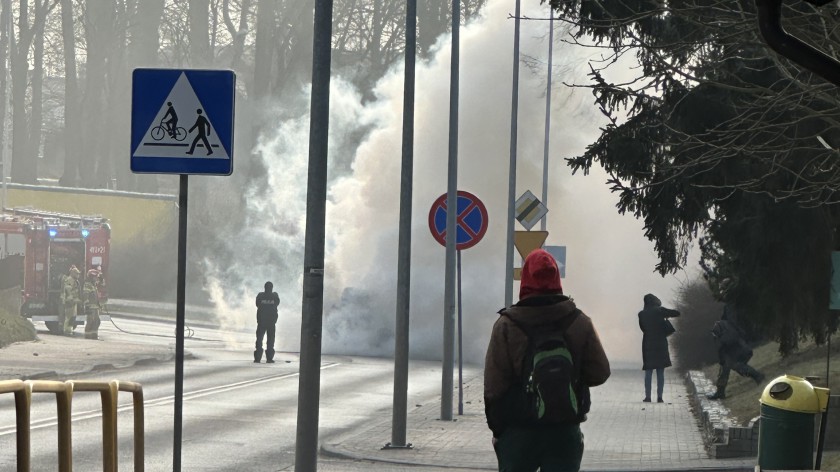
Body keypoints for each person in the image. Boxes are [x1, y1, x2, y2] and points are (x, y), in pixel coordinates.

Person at [484, 249, 611, 471]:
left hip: (518, 433)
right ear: (556, 280)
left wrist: (498, 432)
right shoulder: (579, 322)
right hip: (564, 430)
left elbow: (494, 387)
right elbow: (600, 373)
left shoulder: (506, 325)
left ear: (525, 280)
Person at [706, 304, 765, 400]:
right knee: (727, 366)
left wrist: (729, 334)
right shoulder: (730, 304)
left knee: (733, 365)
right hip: (733, 342)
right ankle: (720, 392)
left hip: (735, 343)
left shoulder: (732, 304)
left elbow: (734, 323)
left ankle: (758, 376)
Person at [638, 293, 680, 403]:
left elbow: (643, 328)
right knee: (660, 372)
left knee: (648, 371)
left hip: (648, 344)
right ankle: (660, 397)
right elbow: (676, 313)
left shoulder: (641, 314)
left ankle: (647, 397)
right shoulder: (659, 310)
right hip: (661, 343)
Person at [254, 281, 280, 363]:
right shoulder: (274, 296)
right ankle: (268, 358)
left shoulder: (261, 296)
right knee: (270, 341)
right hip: (269, 322)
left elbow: (257, 304)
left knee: (260, 340)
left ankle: (258, 358)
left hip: (263, 322)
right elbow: (277, 303)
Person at [61, 265, 82, 336]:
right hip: (70, 302)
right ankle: (67, 331)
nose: (78, 275)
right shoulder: (69, 280)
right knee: (69, 317)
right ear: (72, 273)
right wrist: (71, 300)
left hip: (74, 302)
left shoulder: (75, 281)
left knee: (73, 316)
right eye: (77, 273)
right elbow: (68, 291)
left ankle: (69, 330)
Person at [83, 269, 103, 340]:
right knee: (90, 322)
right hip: (91, 307)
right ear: (91, 277)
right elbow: (85, 295)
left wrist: (101, 277)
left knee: (97, 321)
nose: (96, 278)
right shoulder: (88, 285)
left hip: (96, 307)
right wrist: (87, 305)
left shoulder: (94, 285)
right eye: (95, 277)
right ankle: (87, 336)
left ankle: (94, 336)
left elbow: (102, 284)